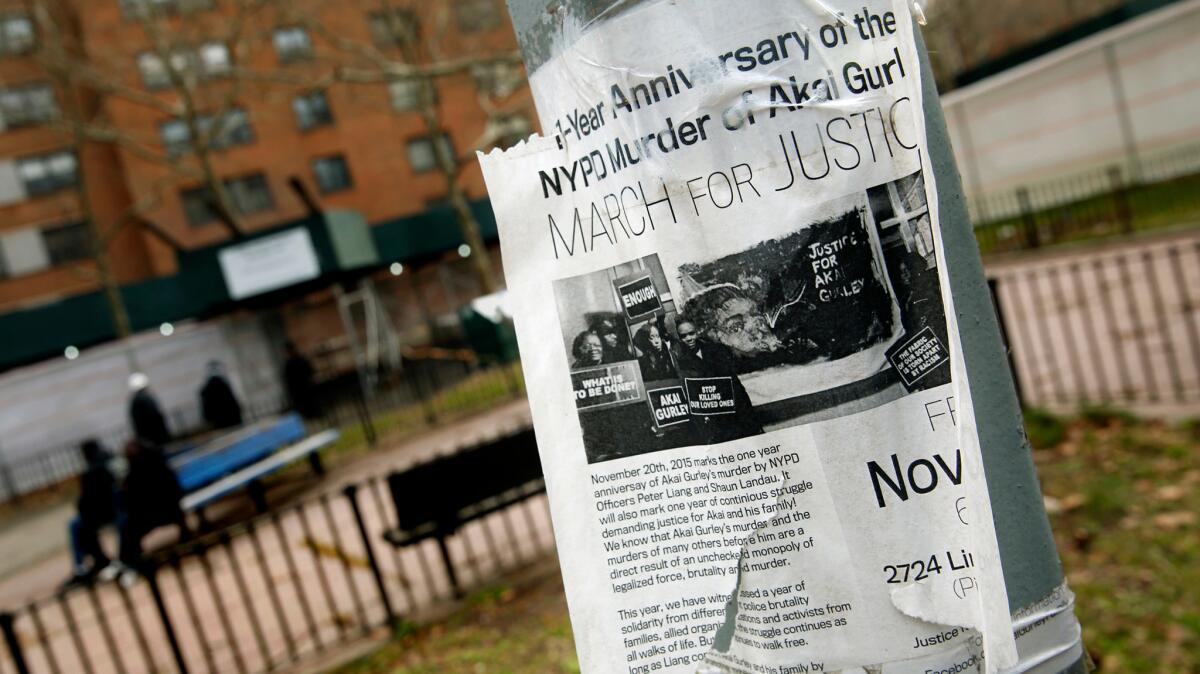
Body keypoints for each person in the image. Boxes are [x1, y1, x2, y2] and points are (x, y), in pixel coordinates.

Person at [670, 316, 763, 443]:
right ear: (680, 338)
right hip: (717, 413)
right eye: (684, 336)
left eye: (691, 333)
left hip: (736, 404)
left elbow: (734, 380)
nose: (689, 338)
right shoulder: (683, 361)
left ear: (697, 332)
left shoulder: (716, 349)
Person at [109, 438, 186, 584]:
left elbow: (131, 502)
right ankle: (125, 562)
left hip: (157, 514)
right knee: (127, 525)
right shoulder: (158, 464)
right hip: (169, 509)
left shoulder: (137, 473)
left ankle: (129, 564)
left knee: (127, 527)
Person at [63, 440, 117, 587]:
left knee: (77, 525)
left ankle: (82, 567)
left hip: (107, 513)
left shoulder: (92, 472)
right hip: (110, 510)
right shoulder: (110, 463)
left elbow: (85, 501)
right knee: (79, 524)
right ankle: (95, 560)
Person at [128, 373, 171, 446]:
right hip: (156, 435)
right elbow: (156, 415)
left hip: (146, 439)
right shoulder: (146, 398)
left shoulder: (133, 402)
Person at [199, 361, 243, 429]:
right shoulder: (224, 384)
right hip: (231, 417)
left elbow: (206, 406)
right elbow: (232, 400)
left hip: (219, 420)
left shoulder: (207, 388)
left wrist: (208, 418)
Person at [283, 341, 319, 419]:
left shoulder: (288, 364)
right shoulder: (301, 359)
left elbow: (287, 380)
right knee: (311, 406)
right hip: (307, 387)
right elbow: (311, 370)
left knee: (306, 409)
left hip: (298, 391)